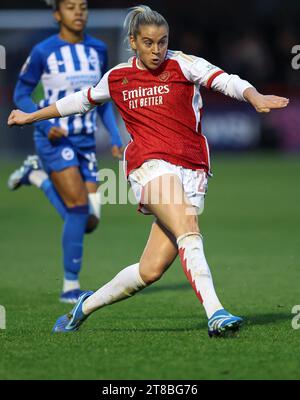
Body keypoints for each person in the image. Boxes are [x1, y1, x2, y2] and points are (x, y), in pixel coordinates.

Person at [8, 5, 289, 337]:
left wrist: (253, 96)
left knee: (150, 270)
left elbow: (226, 80)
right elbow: (80, 100)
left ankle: (83, 307)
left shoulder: (184, 63)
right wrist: (31, 116)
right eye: (148, 42)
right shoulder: (117, 77)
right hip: (148, 165)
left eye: (162, 42)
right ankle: (216, 313)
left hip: (193, 168)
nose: (156, 50)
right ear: (133, 42)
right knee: (188, 225)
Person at [7, 0, 123, 304]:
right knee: (77, 209)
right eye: (71, 7)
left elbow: (102, 97)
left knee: (90, 222)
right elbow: (21, 93)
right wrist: (46, 127)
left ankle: (35, 177)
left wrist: (114, 135)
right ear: (57, 14)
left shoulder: (97, 49)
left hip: (86, 142)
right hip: (56, 141)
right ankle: (70, 288)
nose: (79, 12)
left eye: (83, 6)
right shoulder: (44, 50)